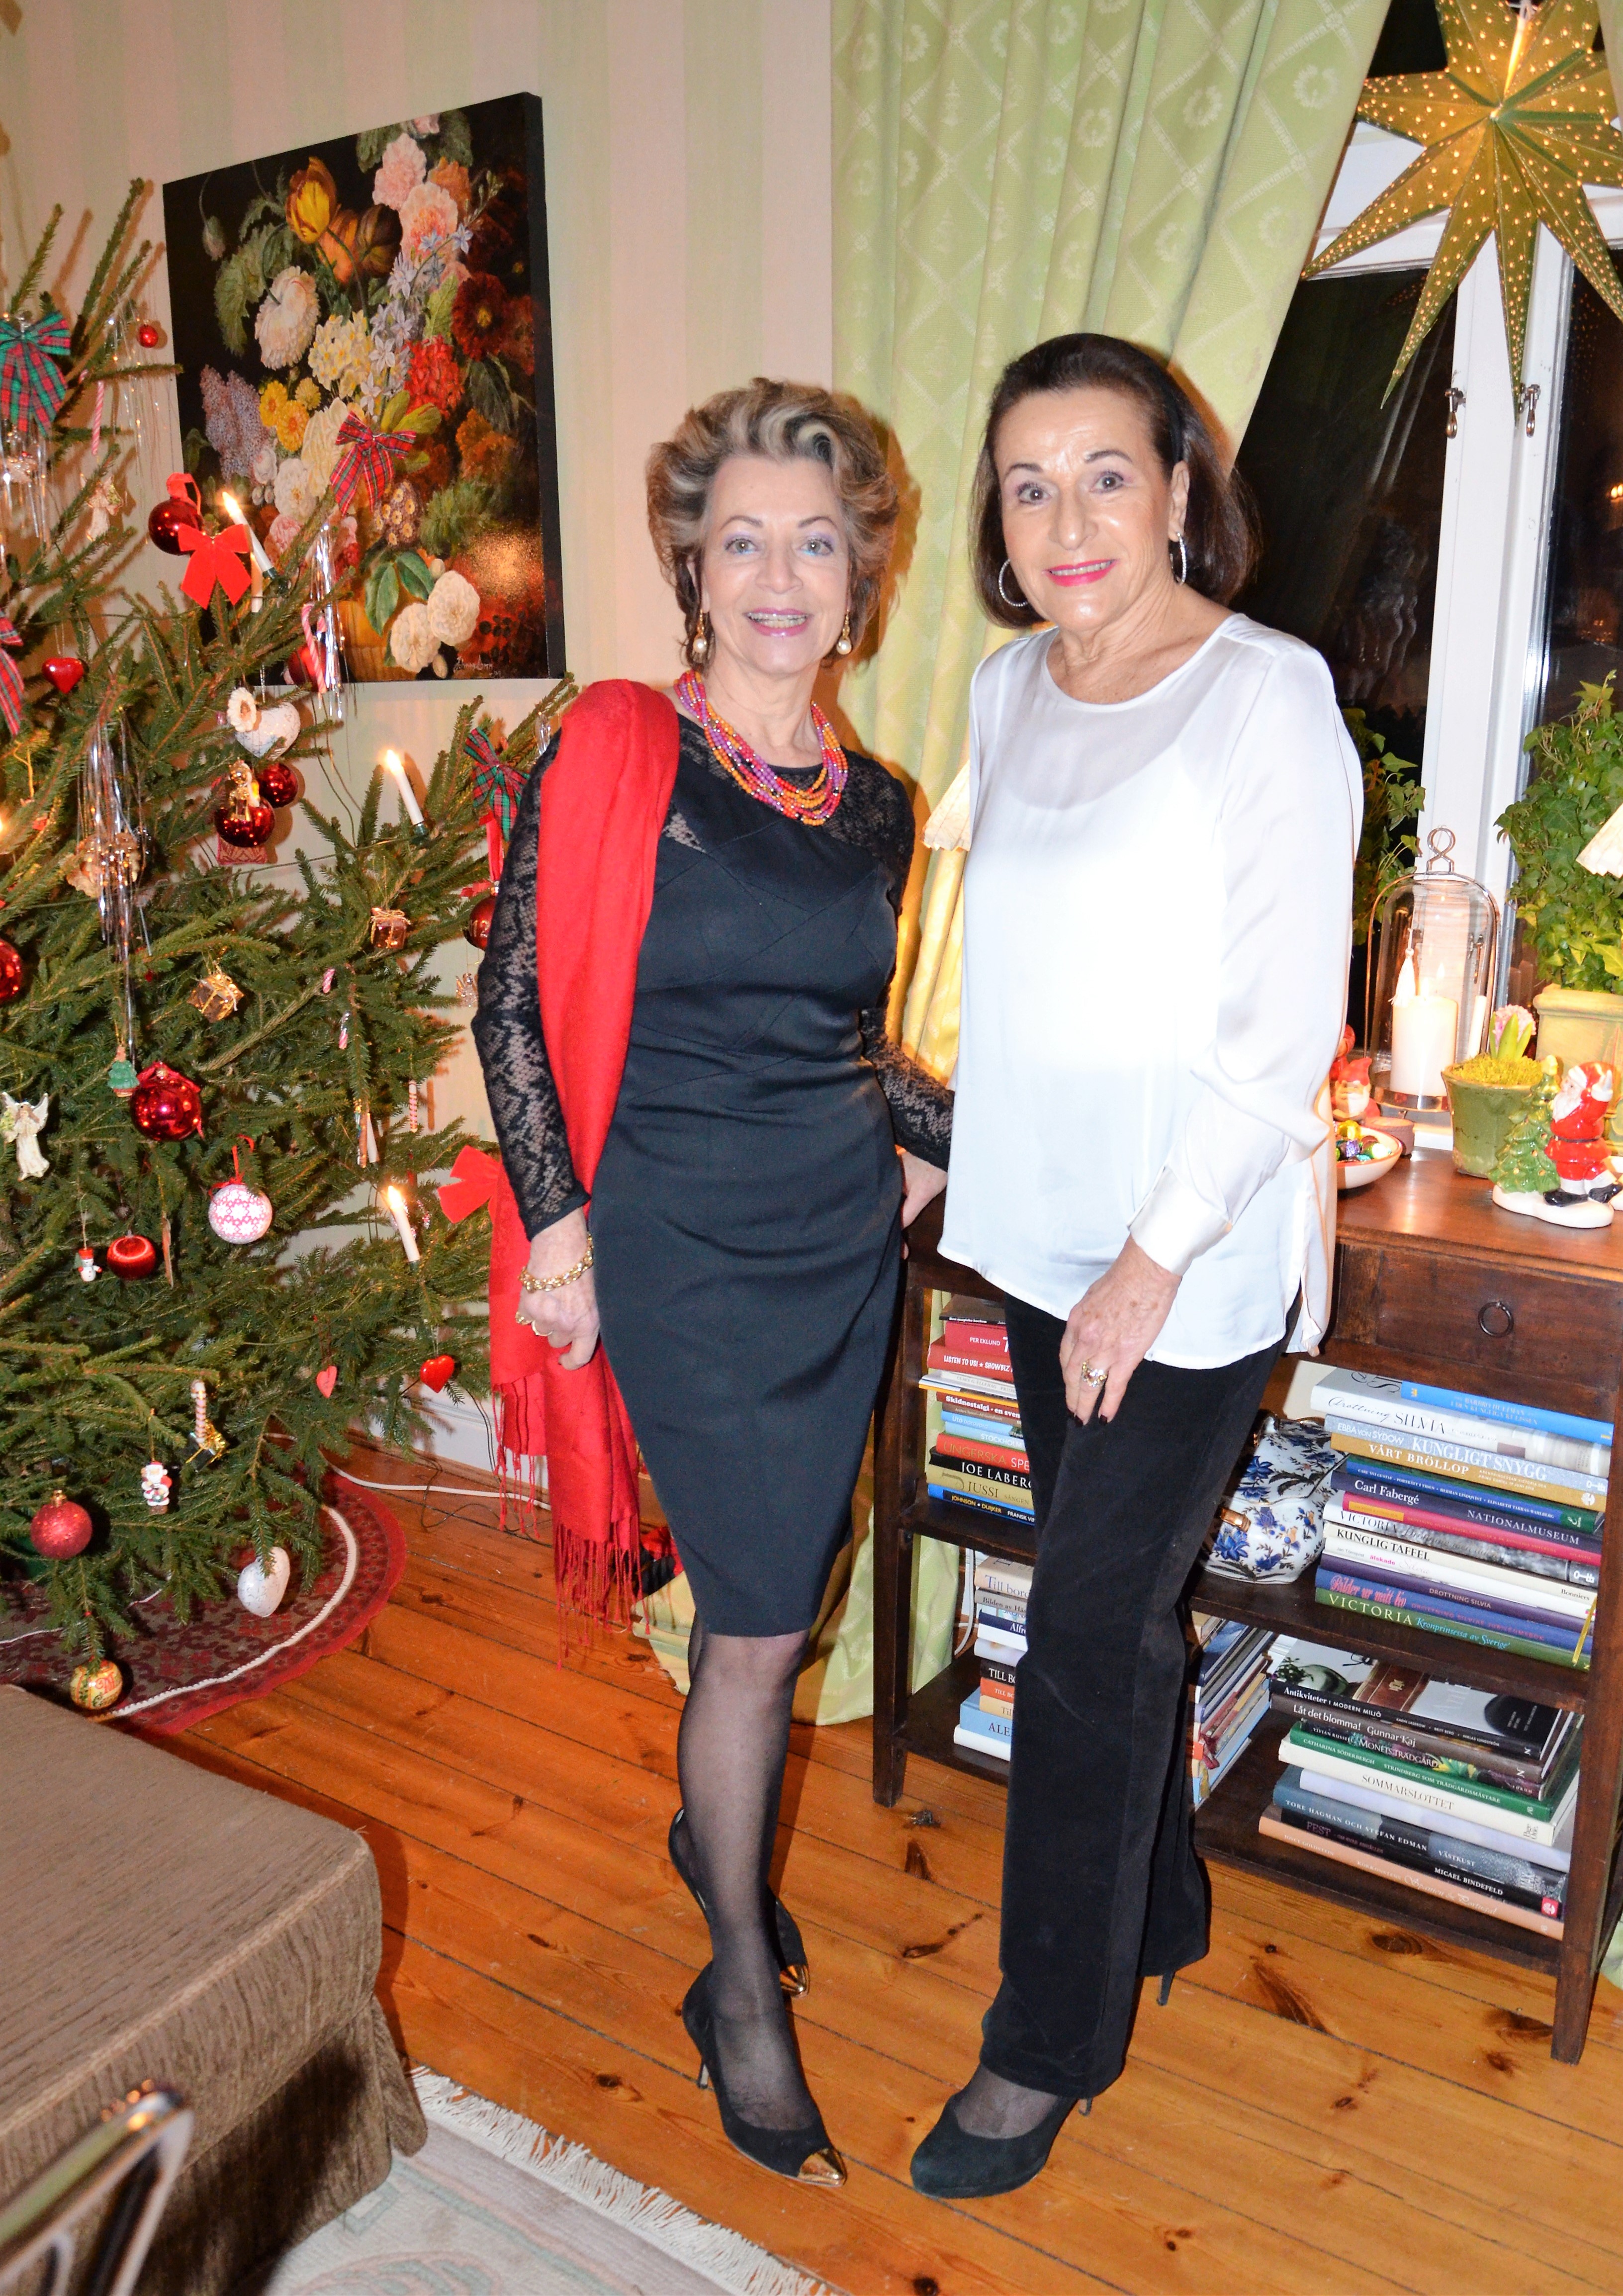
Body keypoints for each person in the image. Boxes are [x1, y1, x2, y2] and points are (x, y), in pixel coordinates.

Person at [471, 379, 952, 2189]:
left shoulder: (880, 803)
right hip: (675, 1241)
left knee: (789, 1596)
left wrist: (981, 1136)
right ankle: (737, 1978)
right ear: (693, 564)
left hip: (836, 1242)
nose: (778, 576)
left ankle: (717, 1853)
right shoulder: (613, 744)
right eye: (741, 540)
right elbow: (511, 999)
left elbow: (857, 1044)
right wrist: (558, 1225)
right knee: (753, 1618)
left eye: (815, 543)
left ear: (860, 578)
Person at [910, 334, 1360, 2200]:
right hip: (1036, 1236)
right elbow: (1006, 958)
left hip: (1190, 1258)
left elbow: (1278, 1030)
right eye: (1030, 486)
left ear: (1181, 486)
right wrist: (939, 1152)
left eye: (1106, 472)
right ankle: (1159, 1907)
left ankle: (1046, 2042)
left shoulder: (1270, 697)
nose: (1067, 518)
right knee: (1113, 1609)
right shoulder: (1007, 690)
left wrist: (1151, 1258)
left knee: (1088, 1634)